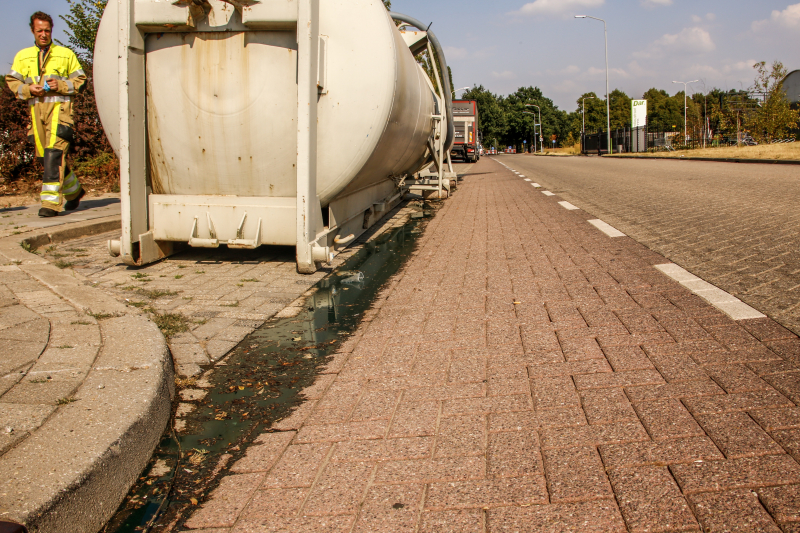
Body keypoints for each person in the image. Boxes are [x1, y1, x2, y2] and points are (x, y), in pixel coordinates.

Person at [5, 12, 87, 217]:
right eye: (40, 30)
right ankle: (74, 192)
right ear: (33, 30)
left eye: (47, 30)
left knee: (54, 156)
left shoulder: (66, 54)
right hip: (36, 114)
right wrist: (27, 89)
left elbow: (81, 81)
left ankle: (50, 204)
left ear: (52, 31)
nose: (44, 34)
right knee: (45, 158)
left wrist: (60, 85)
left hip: (60, 112)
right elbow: (11, 81)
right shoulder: (22, 56)